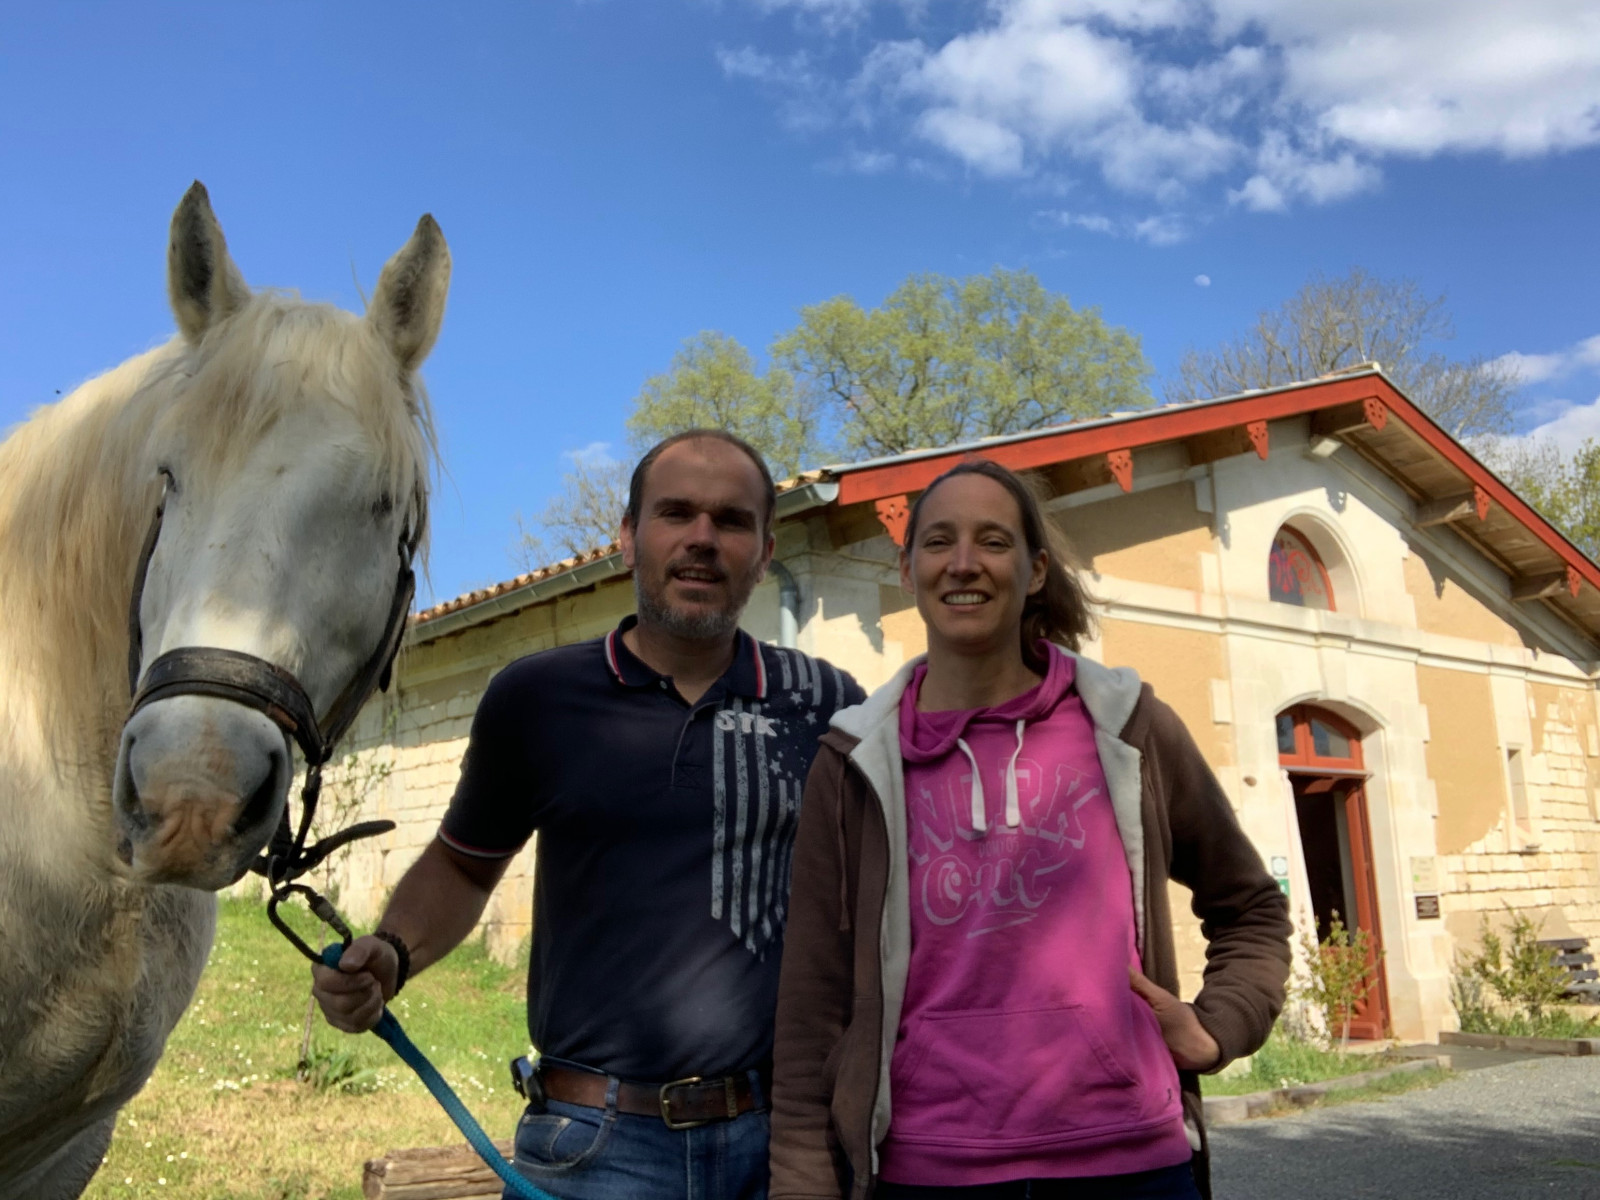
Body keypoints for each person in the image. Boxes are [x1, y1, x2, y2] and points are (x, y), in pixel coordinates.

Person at [313, 429, 864, 1200]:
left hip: (778, 1146)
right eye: (676, 514)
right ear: (628, 537)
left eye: (731, 521)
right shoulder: (535, 698)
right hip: (595, 1148)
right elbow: (464, 865)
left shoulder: (826, 703)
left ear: (766, 550)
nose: (702, 539)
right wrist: (393, 953)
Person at [768, 458, 1292, 1200]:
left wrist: (1218, 1026)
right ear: (908, 565)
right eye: (939, 541)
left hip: (1131, 1164)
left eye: (993, 541)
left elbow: (1250, 905)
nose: (963, 563)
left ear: (1036, 568)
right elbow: (812, 1002)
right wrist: (801, 1181)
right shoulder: (855, 760)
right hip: (927, 1169)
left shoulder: (1129, 728)